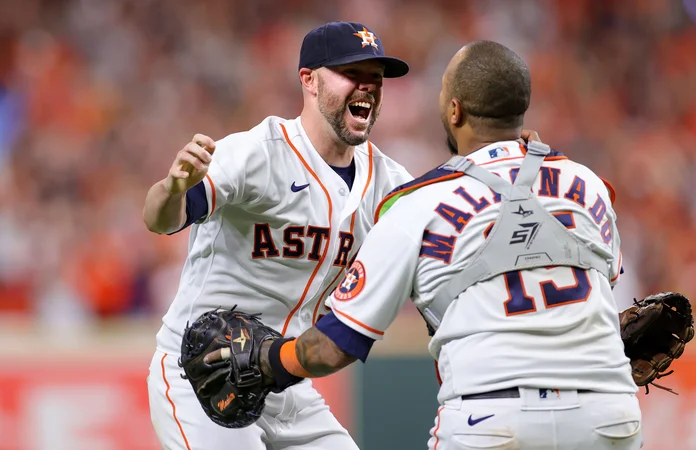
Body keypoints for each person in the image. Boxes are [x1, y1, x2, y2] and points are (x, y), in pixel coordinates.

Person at [247, 40, 644, 449]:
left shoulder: (417, 204)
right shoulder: (589, 184)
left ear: (455, 110)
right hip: (608, 415)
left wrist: (268, 361)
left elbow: (333, 347)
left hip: (492, 420)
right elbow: (600, 289)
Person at [142, 21, 415, 450]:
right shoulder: (258, 152)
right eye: (352, 75)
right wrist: (172, 187)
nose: (366, 88)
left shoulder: (389, 182)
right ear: (308, 79)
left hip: (283, 381)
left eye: (375, 79)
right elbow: (160, 218)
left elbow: (442, 240)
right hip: (201, 373)